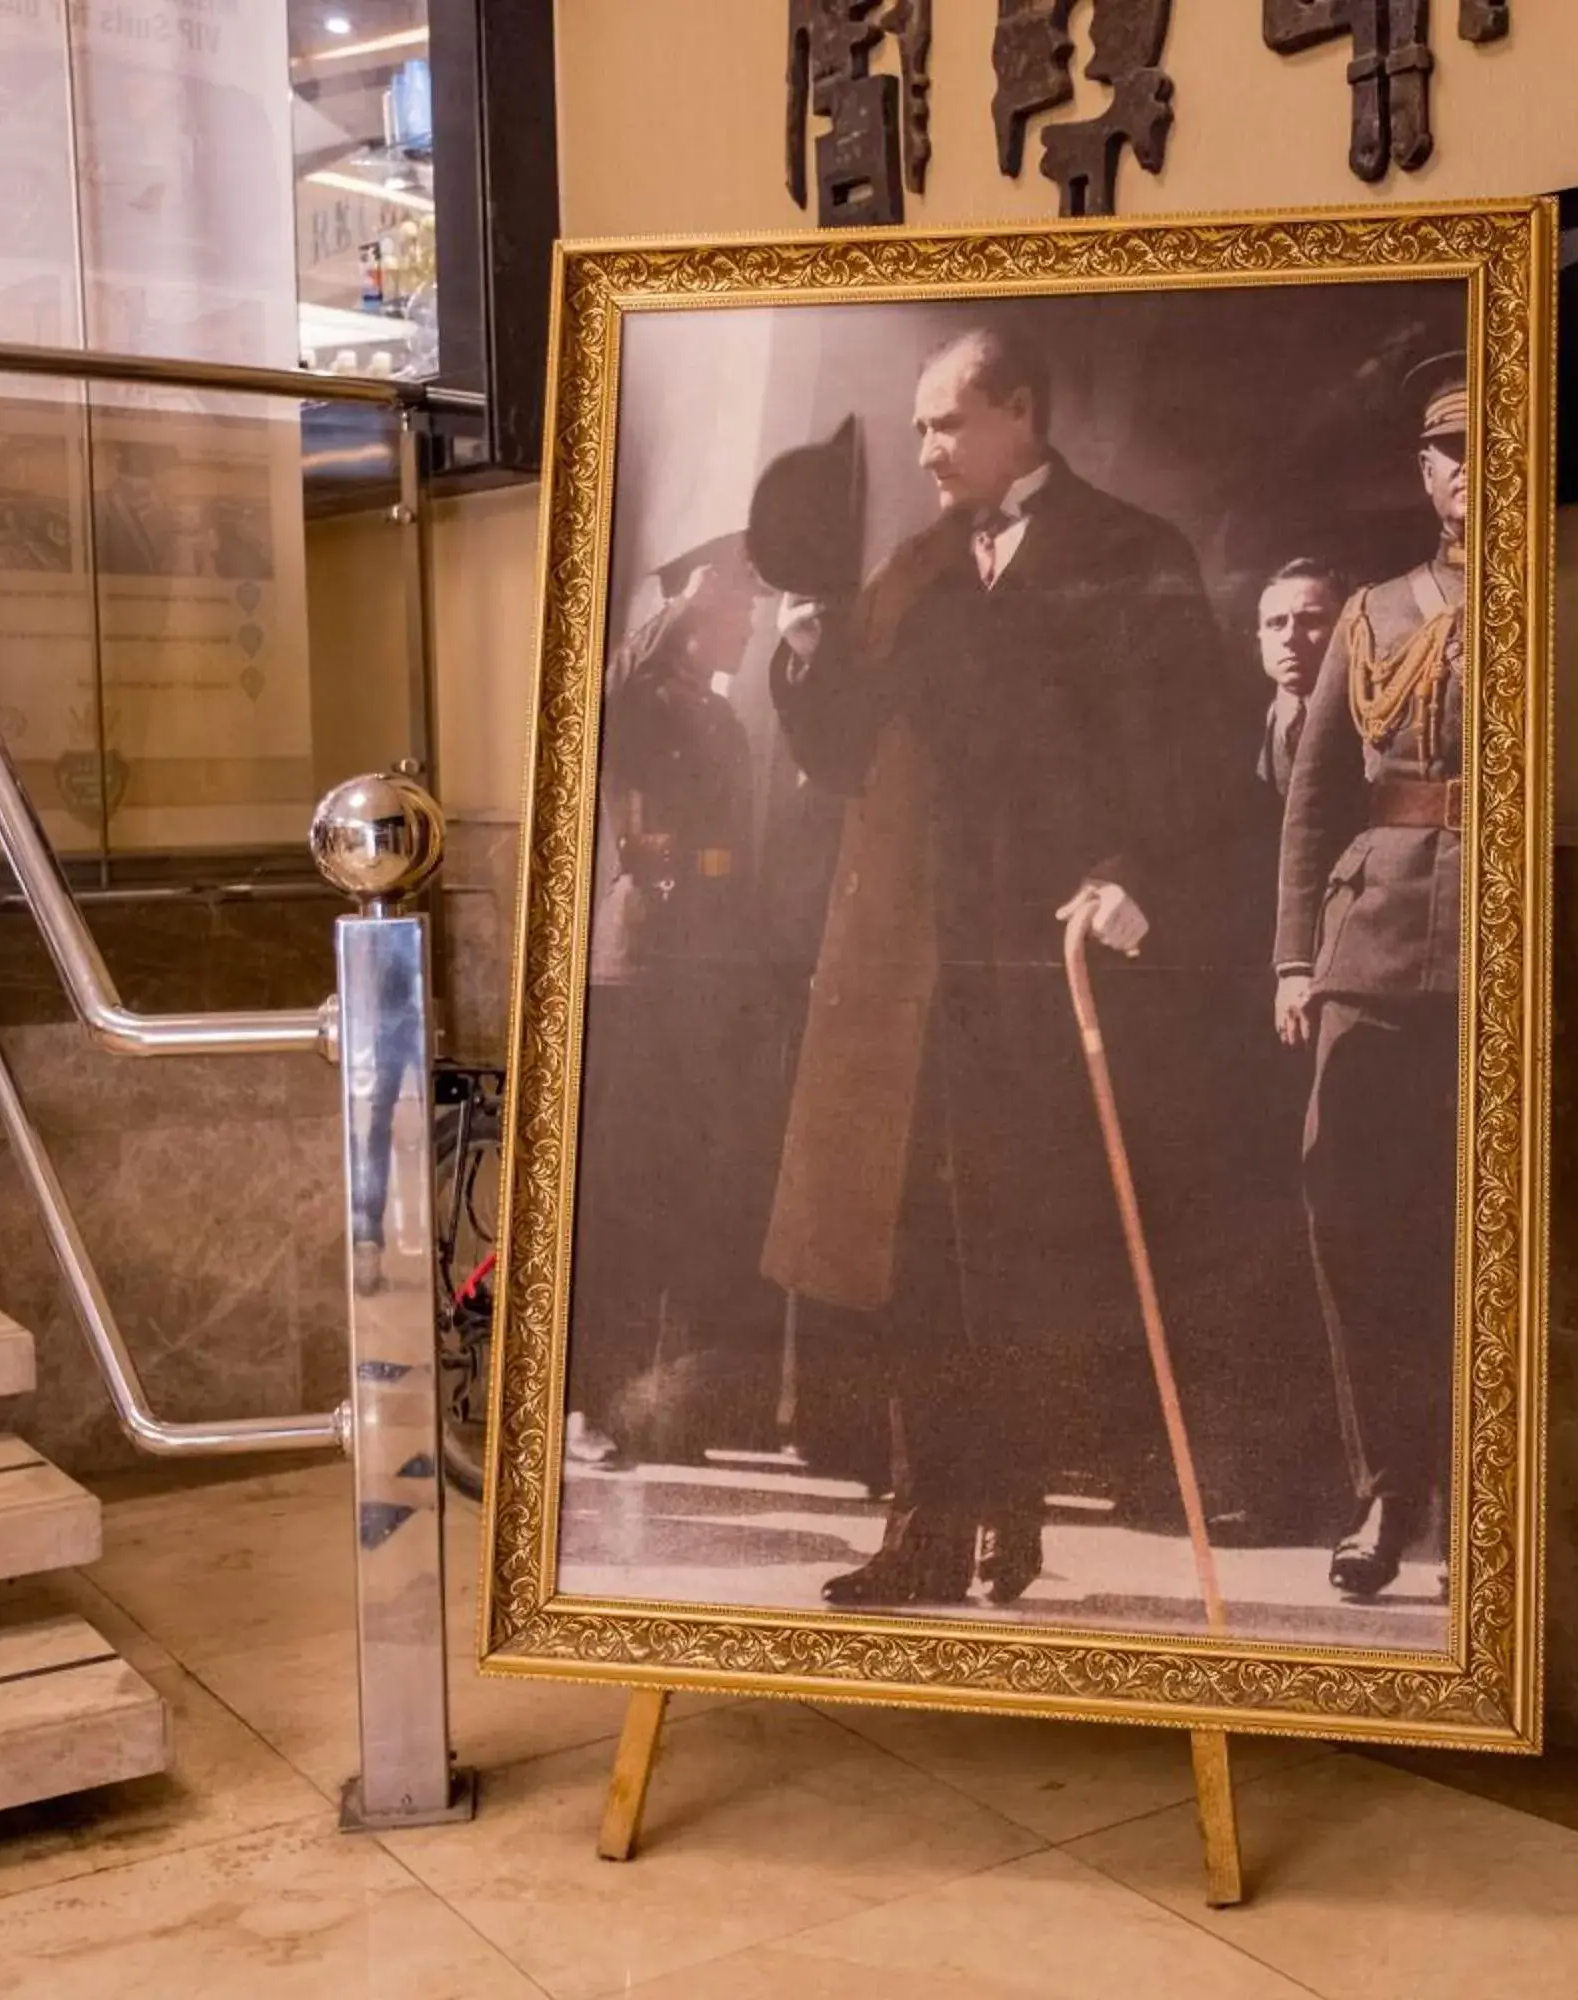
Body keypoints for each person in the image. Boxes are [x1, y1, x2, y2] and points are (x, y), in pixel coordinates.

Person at [760, 324, 1229, 1607]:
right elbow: (841, 751)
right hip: (920, 975)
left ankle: (1009, 1517)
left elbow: (1195, 747)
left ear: (1022, 412)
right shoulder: (911, 573)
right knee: (917, 1252)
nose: (925, 451)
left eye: (947, 424)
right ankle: (926, 1522)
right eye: (914, 428)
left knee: (1025, 1253)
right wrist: (805, 644)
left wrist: (1135, 874)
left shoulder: (1136, 556)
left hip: (1059, 964)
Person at [1272, 358, 1469, 1600]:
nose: (1470, 473)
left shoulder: (1555, 599)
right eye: (1450, 452)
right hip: (1375, 942)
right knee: (1355, 1219)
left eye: (1493, 449)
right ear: (1425, 473)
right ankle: (1388, 1489)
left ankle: (1481, 1495)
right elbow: (1311, 805)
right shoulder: (1378, 612)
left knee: (1482, 1229)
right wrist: (1296, 956)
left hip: (1505, 945)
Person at [570, 538, 763, 1468]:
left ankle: (661, 1410)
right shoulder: (640, 701)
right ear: (695, 610)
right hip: (644, 971)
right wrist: (730, 875)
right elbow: (654, 852)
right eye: (738, 602)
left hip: (709, 980)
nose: (753, 618)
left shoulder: (722, 721)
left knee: (690, 1192)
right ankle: (586, 1407)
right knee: (622, 1193)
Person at [1253, 559, 1343, 798]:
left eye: (1311, 621)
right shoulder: (1251, 723)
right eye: (1276, 623)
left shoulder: (1370, 717)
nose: (1290, 637)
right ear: (1260, 636)